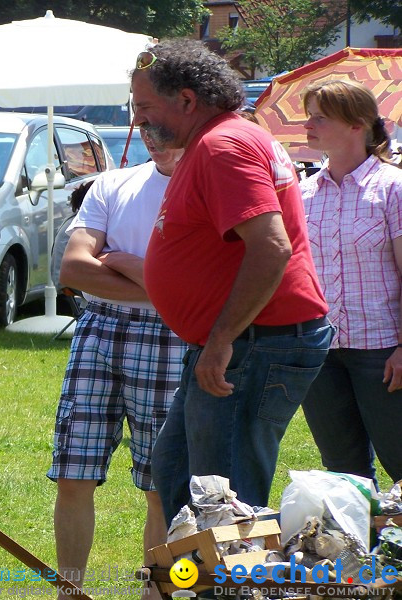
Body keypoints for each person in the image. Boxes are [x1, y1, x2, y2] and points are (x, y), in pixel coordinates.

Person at [132, 39, 333, 524]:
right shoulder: (224, 138)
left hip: (251, 345)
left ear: (186, 100)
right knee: (178, 470)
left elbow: (271, 247)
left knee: (225, 504)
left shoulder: (223, 145)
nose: (137, 120)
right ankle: (203, 582)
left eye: (143, 106)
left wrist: (222, 338)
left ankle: (231, 590)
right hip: (239, 343)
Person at [48, 128, 185, 597]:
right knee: (73, 470)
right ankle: (71, 590)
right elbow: (73, 269)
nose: (152, 137)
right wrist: (161, 288)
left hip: (174, 336)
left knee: (162, 481)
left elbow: (198, 291)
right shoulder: (112, 184)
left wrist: (121, 261)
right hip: (101, 326)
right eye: (144, 125)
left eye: (162, 127)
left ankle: (158, 591)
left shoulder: (204, 187)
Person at [299, 79, 402, 485]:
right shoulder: (304, 193)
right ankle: (363, 549)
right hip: (322, 351)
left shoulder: (393, 188)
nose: (309, 125)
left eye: (319, 118)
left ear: (357, 125)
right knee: (343, 473)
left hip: (382, 350)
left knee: (400, 463)